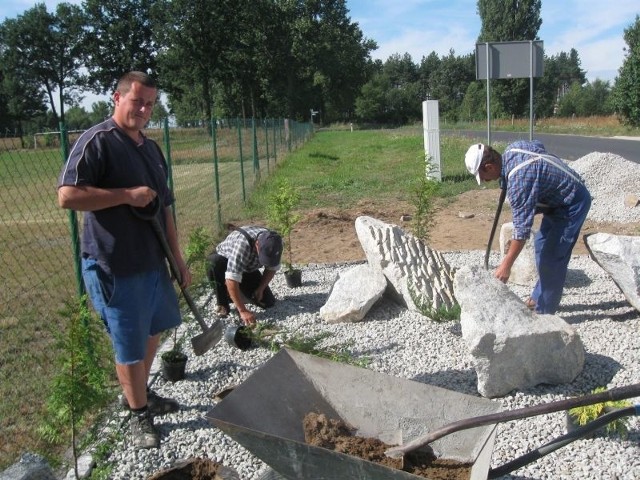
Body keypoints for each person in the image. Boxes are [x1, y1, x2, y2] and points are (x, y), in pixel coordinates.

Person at [57, 71, 189, 450]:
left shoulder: (150, 148)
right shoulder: (97, 141)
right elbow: (67, 196)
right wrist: (125, 195)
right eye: (137, 102)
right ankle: (137, 416)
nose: (144, 110)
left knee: (152, 333)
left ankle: (139, 394)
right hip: (115, 264)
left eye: (150, 104)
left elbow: (165, 209)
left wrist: (178, 260)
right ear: (117, 98)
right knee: (129, 344)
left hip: (153, 261)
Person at [464, 140, 591, 315]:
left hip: (572, 203)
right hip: (556, 202)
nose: (485, 181)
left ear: (489, 166)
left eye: (483, 176)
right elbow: (539, 145)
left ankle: (545, 313)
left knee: (552, 257)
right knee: (540, 245)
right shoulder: (513, 149)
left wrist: (505, 266)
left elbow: (522, 231)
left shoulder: (520, 182)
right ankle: (540, 296)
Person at [207, 227, 283, 326]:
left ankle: (234, 295)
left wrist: (260, 288)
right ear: (257, 244)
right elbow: (231, 279)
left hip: (247, 267)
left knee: (268, 302)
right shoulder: (242, 245)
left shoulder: (276, 243)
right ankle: (222, 302)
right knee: (213, 262)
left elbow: (272, 268)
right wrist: (242, 310)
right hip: (224, 262)